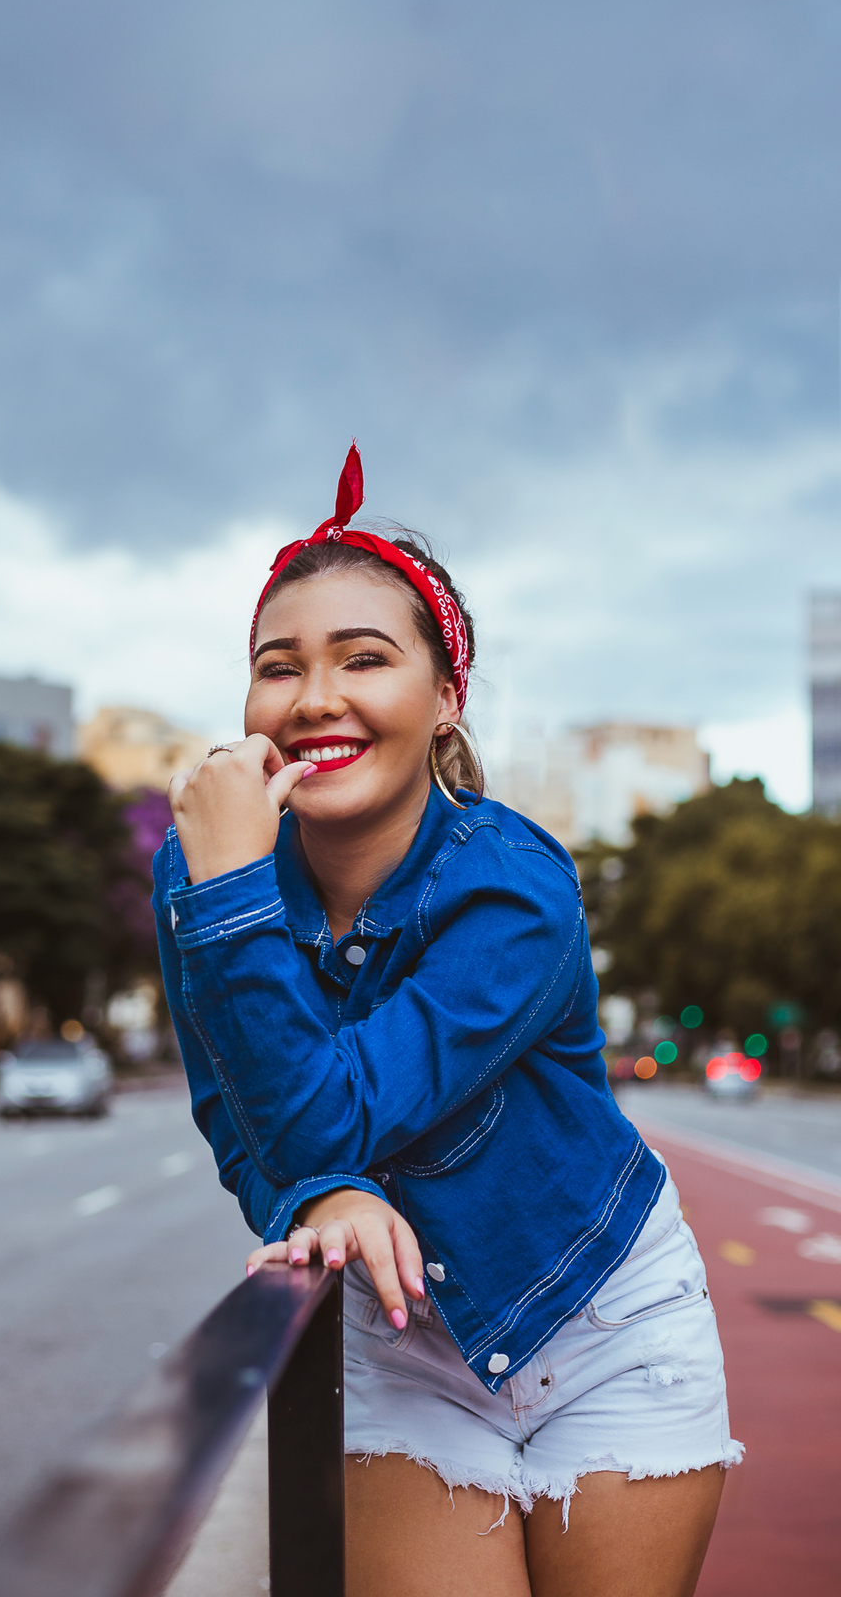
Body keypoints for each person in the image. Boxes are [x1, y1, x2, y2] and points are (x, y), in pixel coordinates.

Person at [155, 445, 740, 1597]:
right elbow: (238, 1114)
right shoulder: (208, 867)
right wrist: (311, 1193)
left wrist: (227, 900)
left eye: (363, 659)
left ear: (444, 701)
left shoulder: (515, 887)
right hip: (400, 1351)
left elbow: (337, 1110)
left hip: (606, 1321)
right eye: (279, 668)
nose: (314, 696)